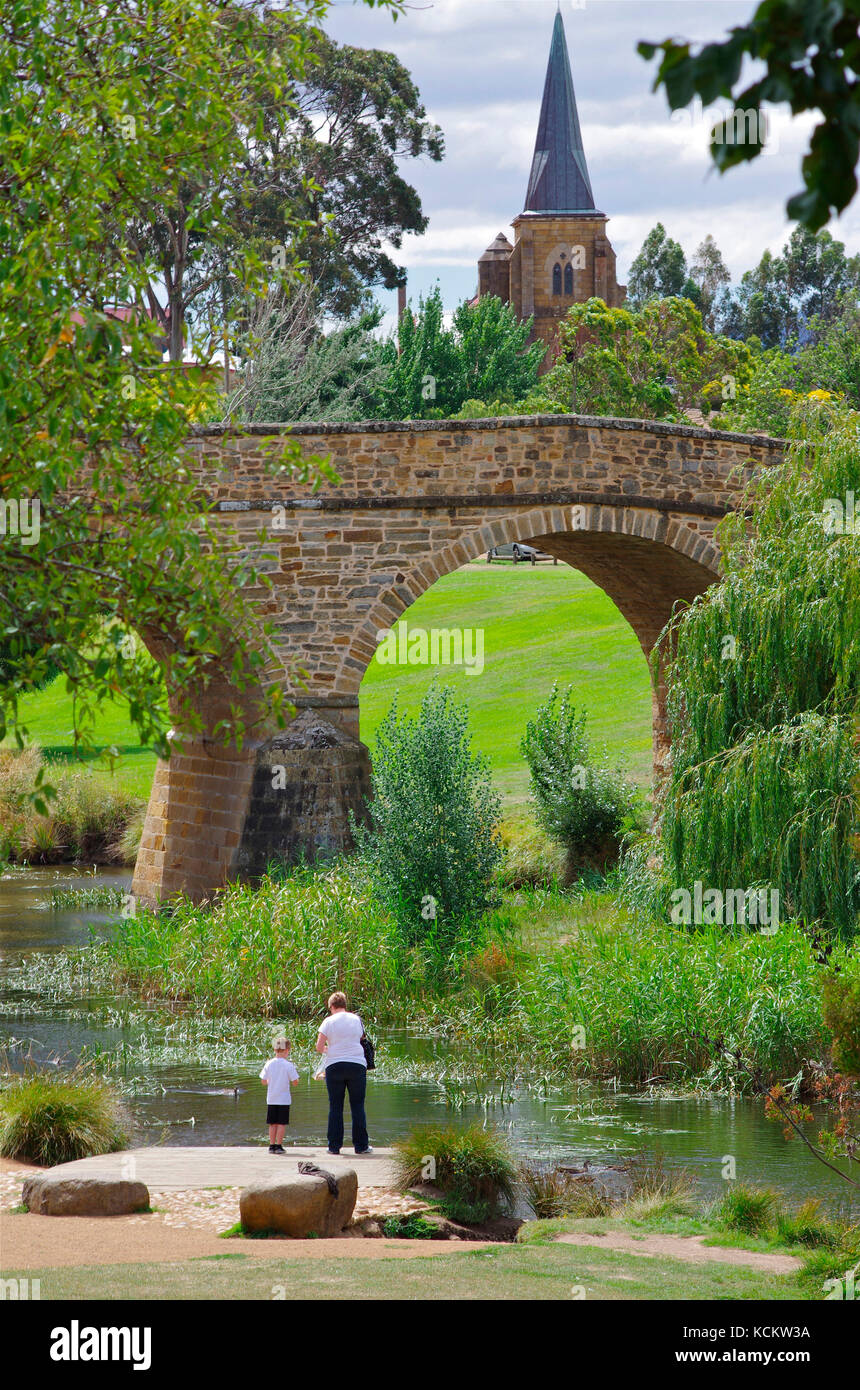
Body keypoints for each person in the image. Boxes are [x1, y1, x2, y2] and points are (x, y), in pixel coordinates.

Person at [315, 991, 371, 1156]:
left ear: (331, 1006)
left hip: (335, 1066)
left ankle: (334, 1147)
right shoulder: (356, 1019)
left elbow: (319, 1047)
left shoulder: (328, 1021)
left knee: (335, 1107)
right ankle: (361, 1146)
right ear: (345, 1005)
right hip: (356, 1065)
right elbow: (362, 1038)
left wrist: (330, 1049)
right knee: (358, 1106)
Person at [259, 1037, 299, 1154]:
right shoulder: (288, 1065)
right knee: (281, 1123)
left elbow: (263, 1081)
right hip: (284, 1100)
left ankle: (271, 1145)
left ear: (275, 1050)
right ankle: (279, 1145)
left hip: (271, 1099)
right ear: (287, 1050)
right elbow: (295, 1082)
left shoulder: (269, 1063)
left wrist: (271, 1082)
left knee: (272, 1124)